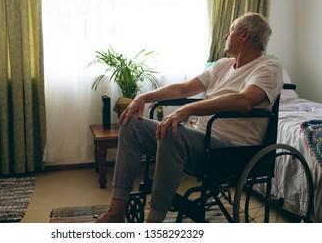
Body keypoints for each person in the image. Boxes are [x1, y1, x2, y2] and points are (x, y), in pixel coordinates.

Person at [95, 12, 283, 223]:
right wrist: (144, 97)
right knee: (130, 124)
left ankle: (153, 223)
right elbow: (184, 88)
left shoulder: (268, 68)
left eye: (230, 31)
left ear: (244, 35)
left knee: (172, 130)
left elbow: (245, 100)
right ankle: (116, 210)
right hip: (202, 139)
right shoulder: (222, 65)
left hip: (232, 149)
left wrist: (188, 110)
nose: (225, 36)